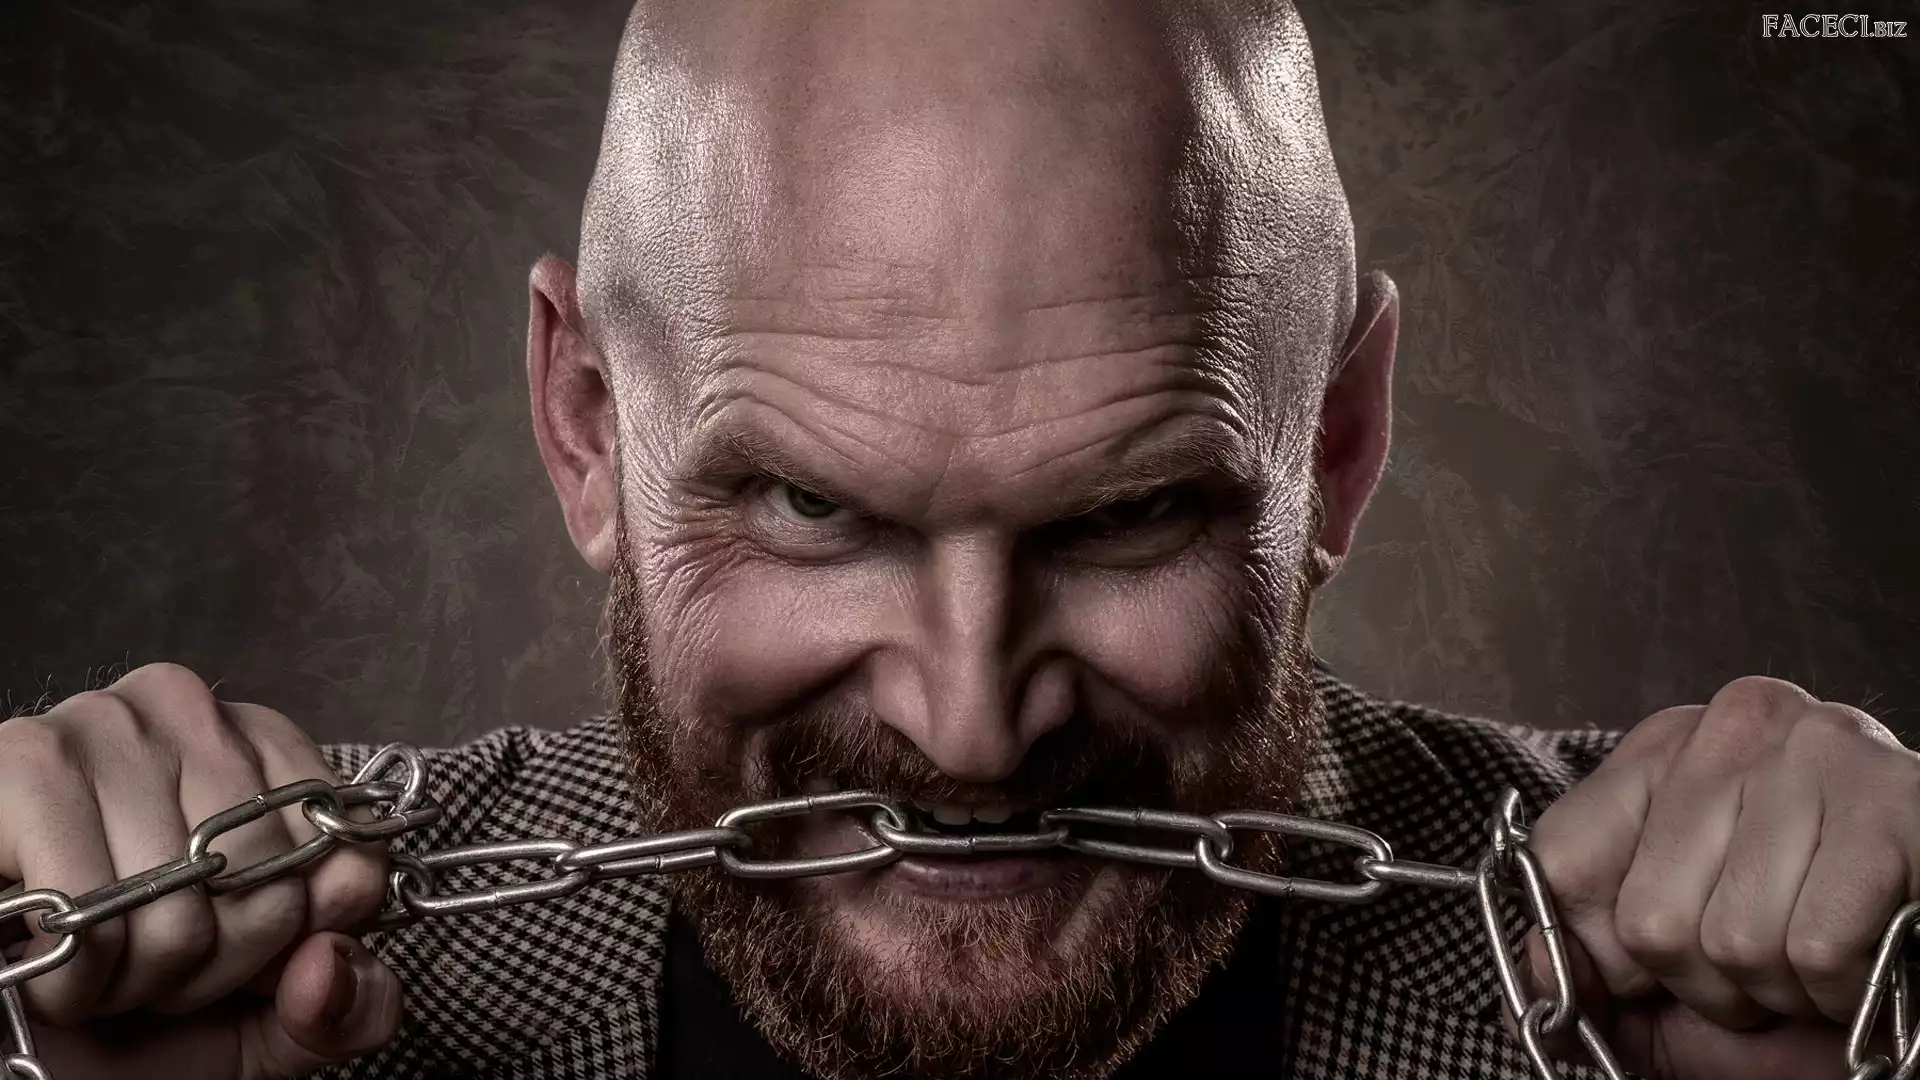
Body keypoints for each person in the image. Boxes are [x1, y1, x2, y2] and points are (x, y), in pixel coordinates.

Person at [2, 2, 1914, 1078]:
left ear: (1334, 444)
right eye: (812, 505)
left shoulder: (1717, 986)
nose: (972, 728)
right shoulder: (217, 964)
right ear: (587, 428)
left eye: (1127, 514)